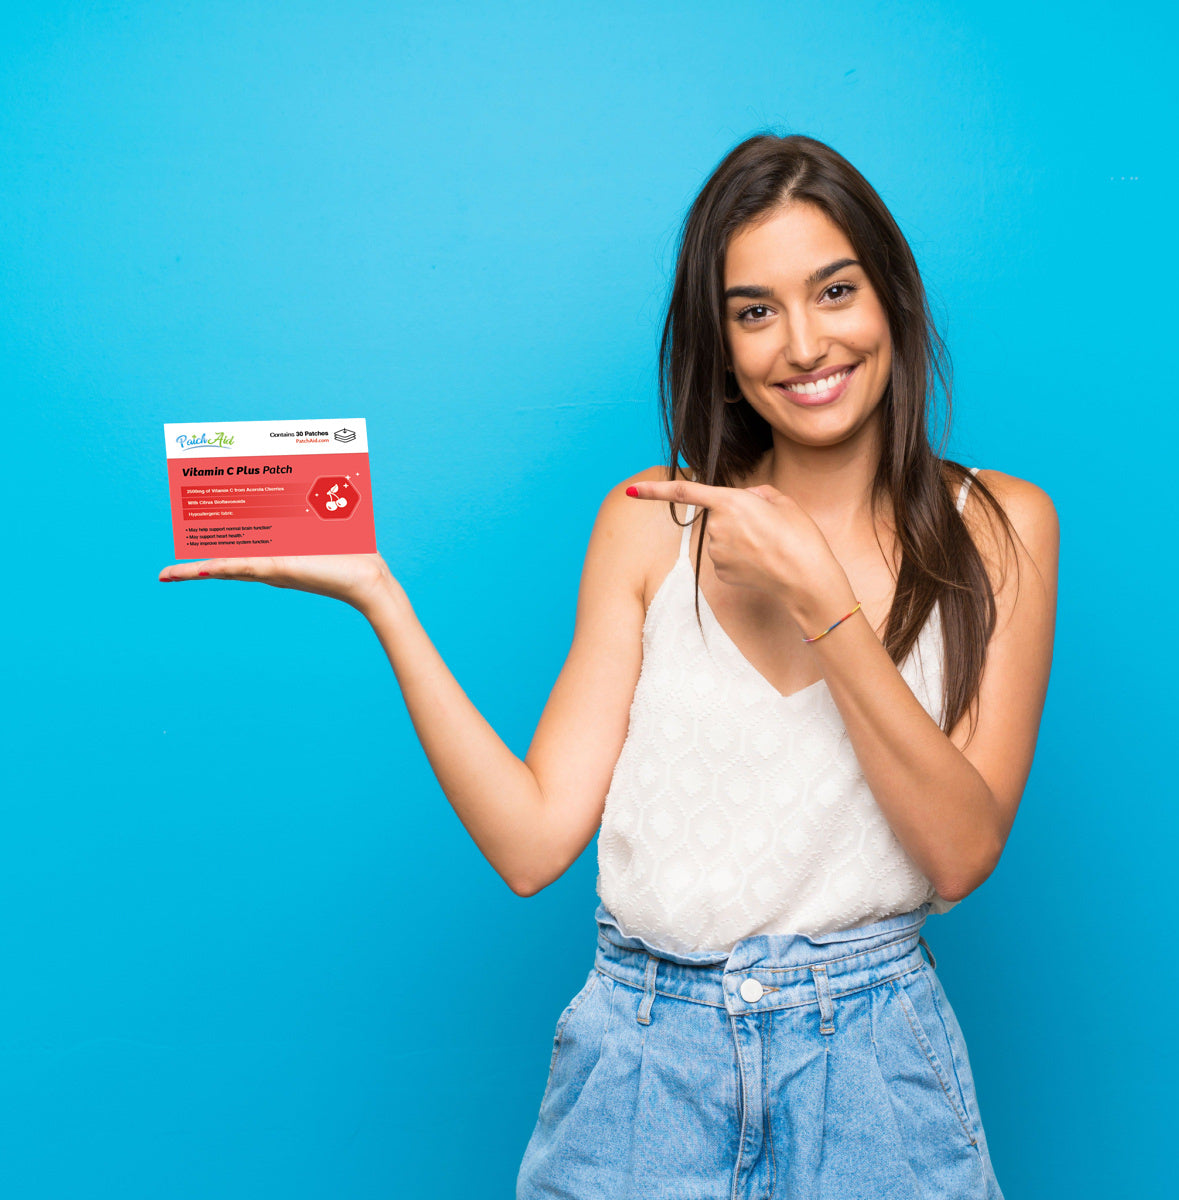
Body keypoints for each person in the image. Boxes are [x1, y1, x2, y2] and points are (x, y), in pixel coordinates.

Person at [159, 132, 1058, 1198]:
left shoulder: (1000, 525)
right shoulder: (646, 526)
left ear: (893, 300)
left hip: (870, 1065)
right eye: (755, 311)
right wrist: (382, 602)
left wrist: (826, 606)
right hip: (643, 1069)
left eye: (836, 290)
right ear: (720, 344)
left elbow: (960, 856)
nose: (806, 343)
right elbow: (534, 843)